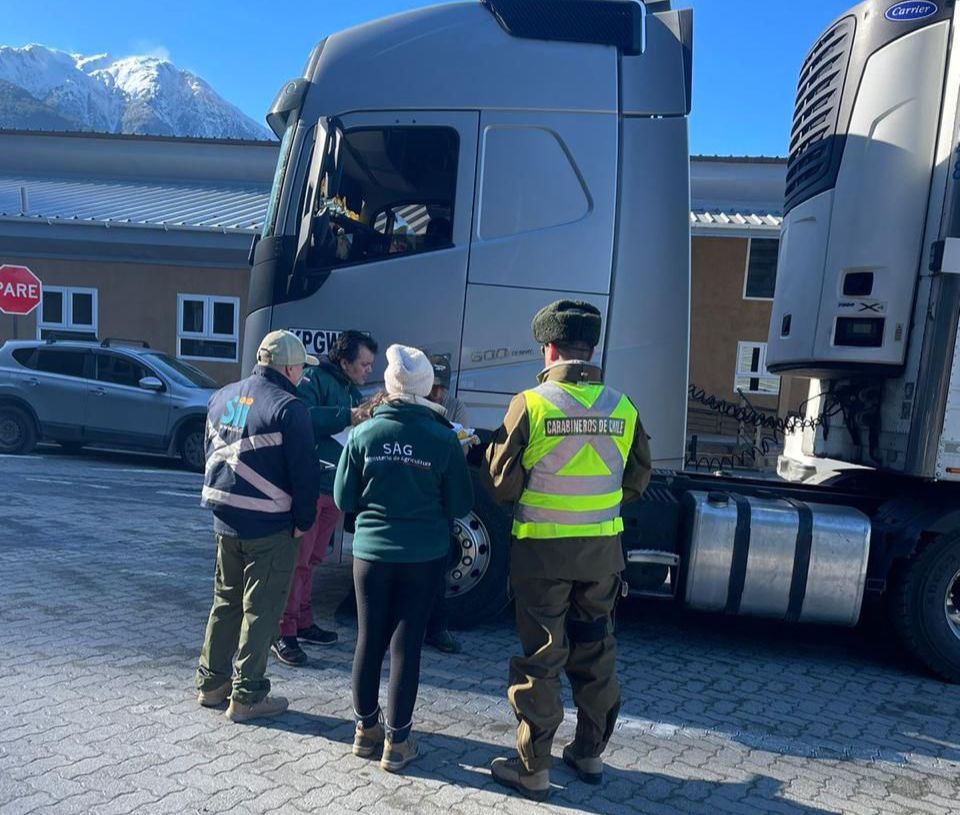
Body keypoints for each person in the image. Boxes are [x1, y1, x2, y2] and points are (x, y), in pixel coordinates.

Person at [484, 300, 652, 800]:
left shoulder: (531, 404)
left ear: (549, 349)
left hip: (541, 557)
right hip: (601, 557)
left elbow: (501, 485)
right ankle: (589, 752)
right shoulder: (623, 406)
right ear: (591, 349)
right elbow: (637, 480)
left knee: (543, 657)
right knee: (596, 649)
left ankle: (533, 768)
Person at [334, 344, 474, 773]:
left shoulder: (364, 433)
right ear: (428, 387)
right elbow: (460, 504)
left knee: (368, 640)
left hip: (371, 555)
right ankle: (397, 742)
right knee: (406, 647)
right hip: (424, 556)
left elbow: (343, 498)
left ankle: (365, 731)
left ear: (389, 384)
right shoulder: (443, 438)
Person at [195, 330, 321, 723]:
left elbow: (210, 450)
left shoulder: (221, 396)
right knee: (261, 609)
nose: (303, 375)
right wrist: (303, 522)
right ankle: (248, 695)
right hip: (270, 525)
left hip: (224, 518)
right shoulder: (290, 407)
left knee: (225, 601)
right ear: (289, 368)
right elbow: (305, 473)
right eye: (301, 368)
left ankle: (211, 684)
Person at [272, 330, 378, 667]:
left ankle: (303, 621)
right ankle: (283, 631)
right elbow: (302, 416)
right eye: (364, 364)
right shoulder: (314, 379)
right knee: (299, 561)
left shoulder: (350, 389)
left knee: (314, 559)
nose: (369, 370)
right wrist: (348, 416)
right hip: (311, 486)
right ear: (345, 362)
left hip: (332, 489)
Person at [423, 353, 468, 655]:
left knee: (438, 567)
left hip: (440, 498)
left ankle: (438, 628)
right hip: (419, 493)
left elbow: (460, 450)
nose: (438, 393)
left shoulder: (455, 407)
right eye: (433, 386)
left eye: (442, 387)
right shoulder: (414, 405)